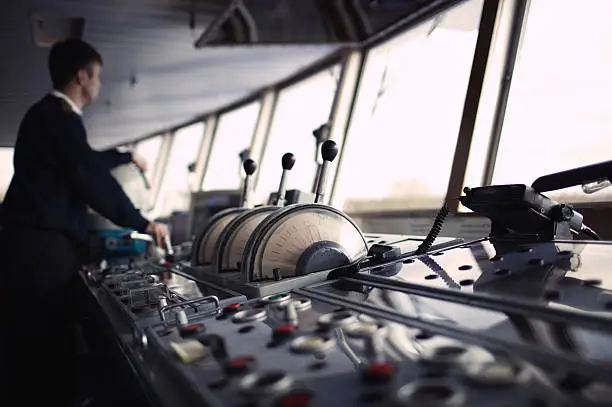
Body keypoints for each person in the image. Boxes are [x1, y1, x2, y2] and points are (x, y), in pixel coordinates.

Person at [0, 39, 169, 405]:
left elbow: (83, 162)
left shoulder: (45, 115)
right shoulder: (60, 118)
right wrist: (144, 222)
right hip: (41, 253)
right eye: (98, 77)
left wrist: (124, 156)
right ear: (83, 76)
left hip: (28, 246)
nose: (99, 85)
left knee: (32, 338)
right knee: (44, 340)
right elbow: (90, 179)